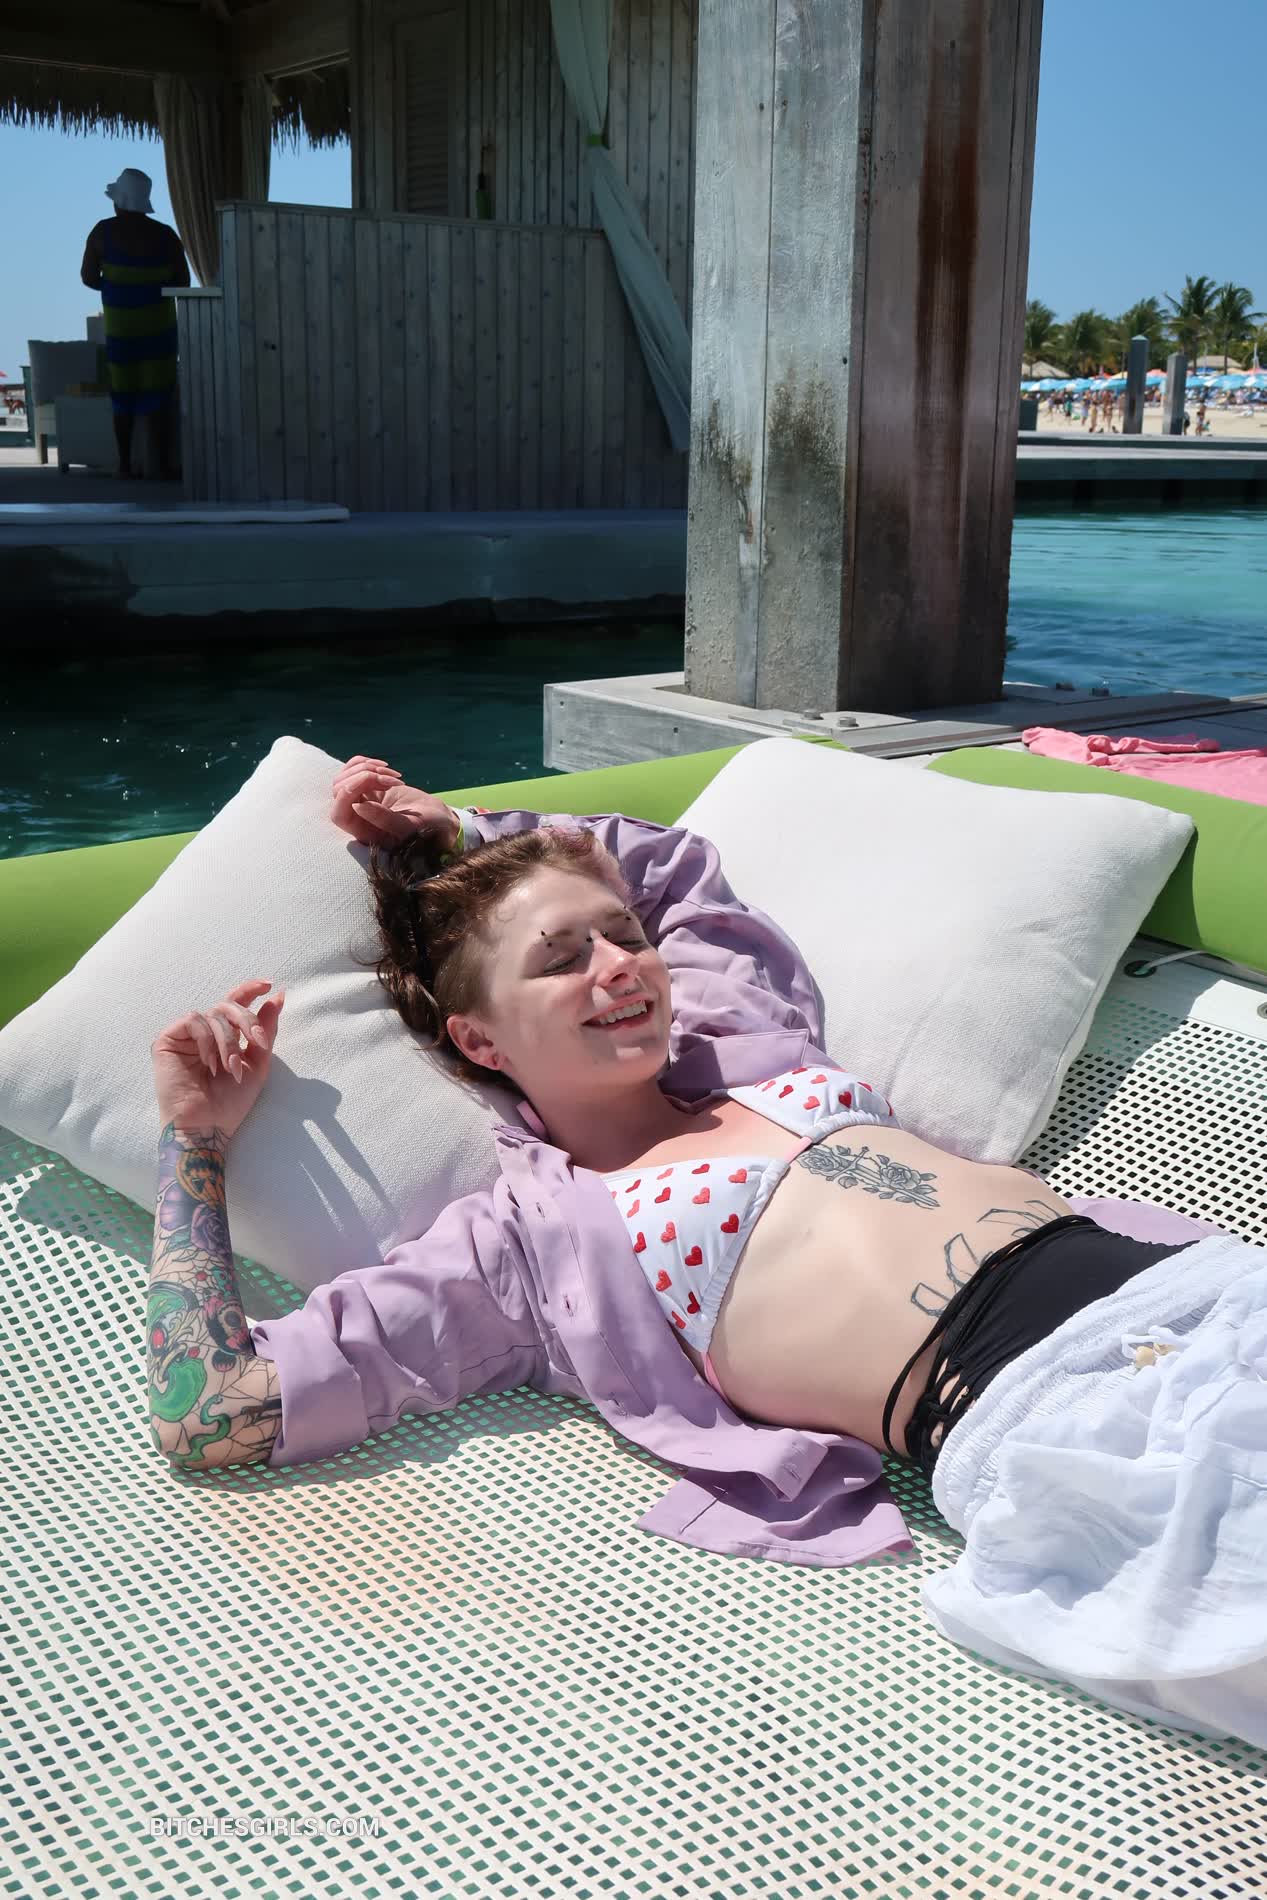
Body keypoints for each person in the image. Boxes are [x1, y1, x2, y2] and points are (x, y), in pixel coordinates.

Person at [145, 757, 1267, 1743]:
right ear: (478, 1039)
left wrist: (459, 833)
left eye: (623, 940)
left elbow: (667, 871)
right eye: (560, 959)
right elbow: (215, 1409)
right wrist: (194, 1145)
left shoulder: (746, 1046)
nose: (618, 966)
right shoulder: (523, 1250)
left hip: (1211, 1295)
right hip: (1077, 1422)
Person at [81, 168, 189, 479]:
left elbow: (88, 277)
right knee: (159, 395)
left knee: (122, 395)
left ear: (119, 202)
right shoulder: (166, 235)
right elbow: (182, 281)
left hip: (121, 327)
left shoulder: (102, 233)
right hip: (159, 327)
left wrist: (118, 286)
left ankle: (125, 465)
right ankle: (162, 465)